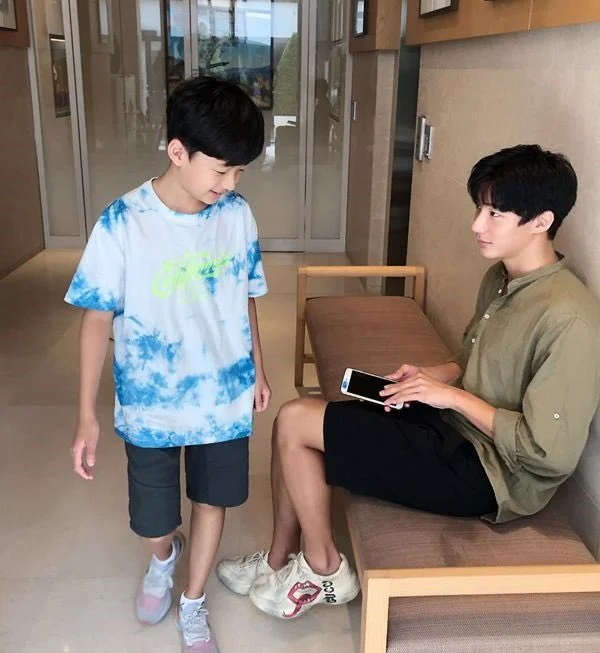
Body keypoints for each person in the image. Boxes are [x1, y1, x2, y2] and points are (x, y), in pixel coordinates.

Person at [217, 144, 600, 620]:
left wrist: (451, 397)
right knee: (290, 421)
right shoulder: (501, 278)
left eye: (495, 213)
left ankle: (324, 569)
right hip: (454, 429)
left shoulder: (569, 320)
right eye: (479, 208)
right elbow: (474, 358)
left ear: (541, 221)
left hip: (492, 475)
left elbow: (549, 453)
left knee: (297, 422)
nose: (476, 225)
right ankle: (278, 561)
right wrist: (431, 377)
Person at [66, 76, 271, 652]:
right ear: (178, 152)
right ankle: (164, 558)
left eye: (240, 173)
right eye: (221, 171)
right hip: (150, 403)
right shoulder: (123, 221)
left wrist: (257, 367)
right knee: (152, 521)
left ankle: (193, 601)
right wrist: (86, 415)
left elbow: (246, 295)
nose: (229, 185)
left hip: (222, 394)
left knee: (212, 499)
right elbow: (96, 319)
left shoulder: (236, 215)